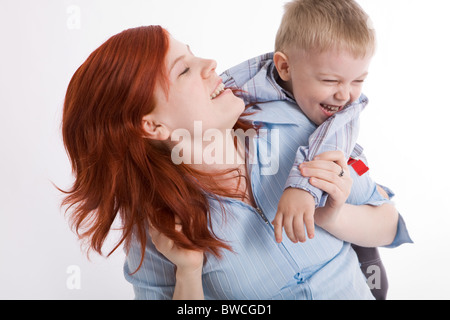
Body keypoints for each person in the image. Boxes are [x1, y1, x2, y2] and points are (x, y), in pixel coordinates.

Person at [60, 25, 410, 300]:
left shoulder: (293, 125)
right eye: (184, 70)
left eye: (193, 54)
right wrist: (188, 272)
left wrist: (333, 216)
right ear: (152, 126)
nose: (209, 64)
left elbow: (390, 223)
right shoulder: (158, 223)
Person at [221, 0, 412, 299]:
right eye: (329, 80)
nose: (345, 94)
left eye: (359, 80)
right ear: (284, 67)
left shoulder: (341, 113)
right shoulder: (248, 94)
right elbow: (221, 88)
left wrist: (302, 187)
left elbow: (386, 221)